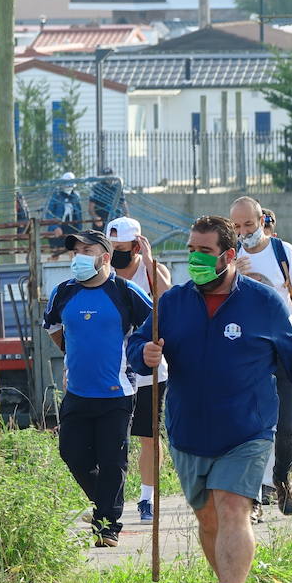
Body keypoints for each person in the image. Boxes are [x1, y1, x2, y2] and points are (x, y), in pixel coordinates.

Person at [127, 216, 292, 583]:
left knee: (232, 507)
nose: (195, 259)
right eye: (191, 250)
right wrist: (142, 354)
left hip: (248, 429)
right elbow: (137, 345)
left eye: (204, 251)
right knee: (208, 519)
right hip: (189, 430)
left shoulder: (263, 304)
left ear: (229, 254)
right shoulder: (173, 302)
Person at [44, 229, 153, 546]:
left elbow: (156, 322)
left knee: (112, 461)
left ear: (105, 257)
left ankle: (108, 527)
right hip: (76, 391)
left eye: (85, 250)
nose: (76, 256)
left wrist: (142, 353)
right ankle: (104, 505)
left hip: (117, 393)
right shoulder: (62, 292)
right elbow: (52, 326)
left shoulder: (124, 292)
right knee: (72, 454)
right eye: (74, 250)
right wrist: (72, 354)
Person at [230, 196, 292, 519]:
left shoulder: (283, 253)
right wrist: (229, 277)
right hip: (247, 354)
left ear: (262, 221)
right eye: (237, 227)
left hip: (283, 347)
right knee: (251, 425)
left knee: (284, 428)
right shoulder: (231, 258)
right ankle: (254, 497)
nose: (243, 232)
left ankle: (281, 478)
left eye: (249, 225)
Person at [105, 216, 171, 524]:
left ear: (136, 244)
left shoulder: (151, 273)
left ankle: (147, 499)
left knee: (148, 435)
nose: (117, 252)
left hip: (148, 370)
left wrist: (148, 262)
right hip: (111, 371)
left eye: (122, 247)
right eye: (112, 247)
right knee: (110, 437)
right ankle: (107, 500)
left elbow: (170, 301)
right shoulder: (102, 276)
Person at [45, 173, 84, 256]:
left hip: (72, 228)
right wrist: (54, 227)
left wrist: (79, 230)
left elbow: (79, 215)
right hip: (59, 227)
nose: (68, 186)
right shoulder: (56, 196)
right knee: (55, 253)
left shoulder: (76, 196)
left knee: (74, 253)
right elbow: (48, 213)